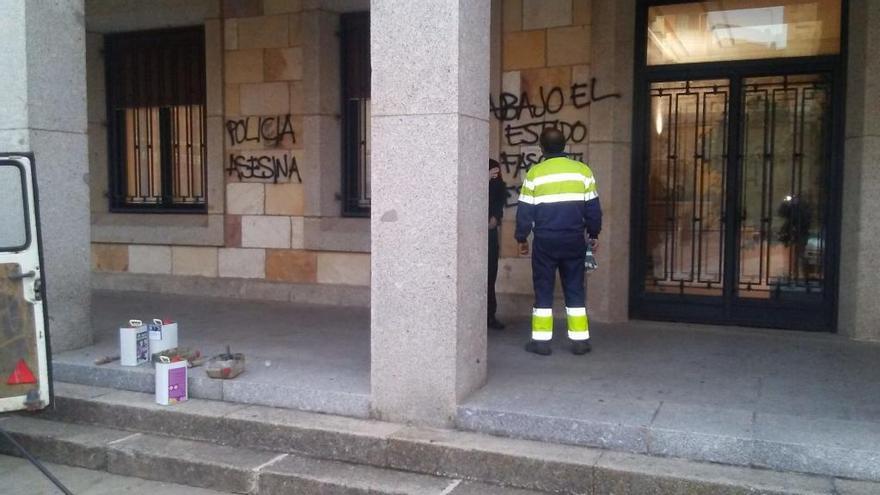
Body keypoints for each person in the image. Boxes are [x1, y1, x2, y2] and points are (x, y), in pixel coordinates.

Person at [515, 128, 602, 356]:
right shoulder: (582, 171)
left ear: (542, 148)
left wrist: (521, 238)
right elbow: (593, 209)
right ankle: (580, 341)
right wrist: (593, 235)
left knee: (543, 288)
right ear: (564, 146)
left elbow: (524, 211)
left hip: (545, 241)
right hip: (574, 240)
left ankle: (541, 342)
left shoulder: (535, 174)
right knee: (574, 288)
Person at [488, 158, 508, 330]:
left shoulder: (498, 183)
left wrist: (495, 217)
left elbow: (499, 199)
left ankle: (489, 315)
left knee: (489, 276)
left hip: (489, 234)